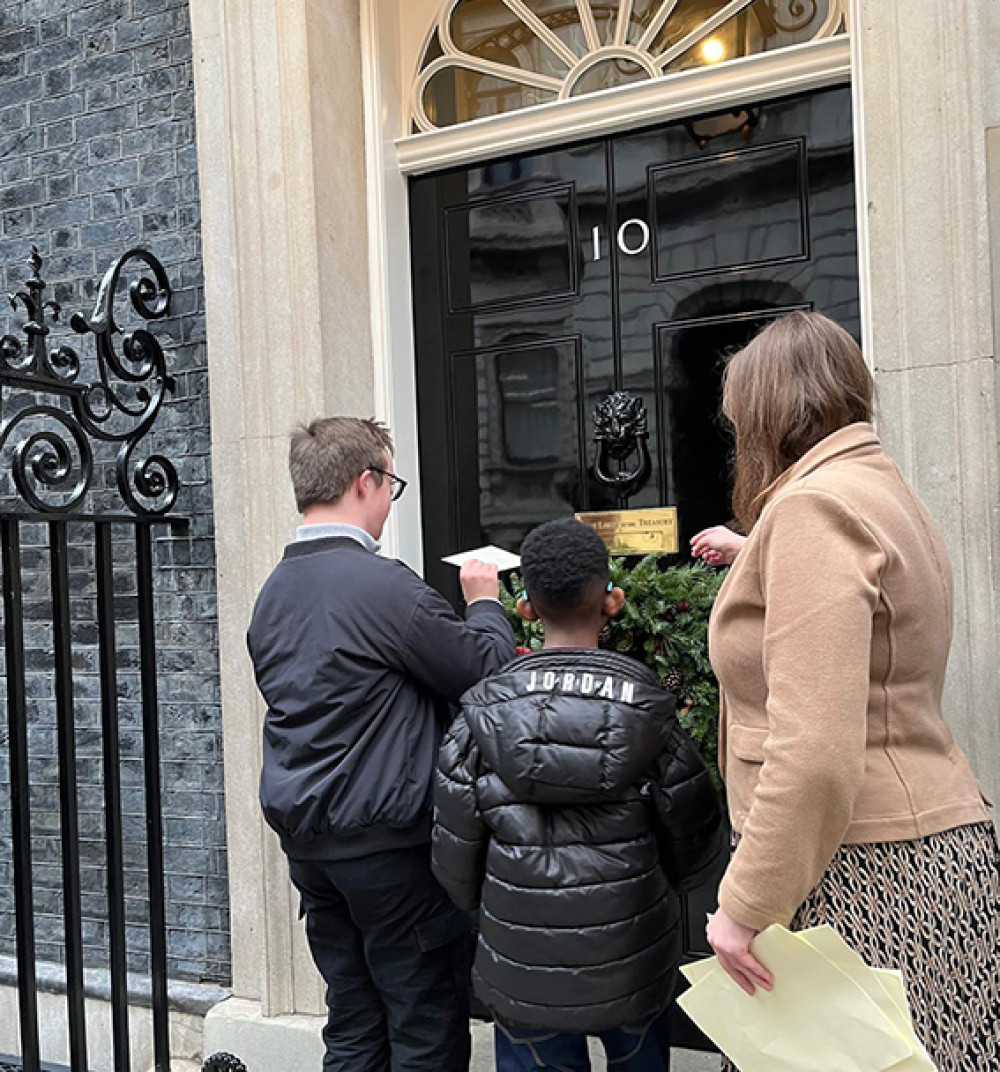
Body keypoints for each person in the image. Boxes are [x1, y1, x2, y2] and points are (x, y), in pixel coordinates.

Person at [704, 312, 1000, 1072]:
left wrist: (745, 908)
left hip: (854, 871)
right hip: (934, 851)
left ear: (765, 416)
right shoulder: (876, 489)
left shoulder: (811, 509)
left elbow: (817, 751)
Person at [246, 417, 515, 1072]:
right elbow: (481, 672)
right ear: (366, 482)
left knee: (355, 1018)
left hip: (311, 847)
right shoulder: (381, 585)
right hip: (391, 849)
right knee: (423, 1021)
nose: (391, 500)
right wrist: (483, 602)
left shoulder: (273, 594)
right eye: (390, 483)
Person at [432, 518, 727, 1072]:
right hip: (633, 951)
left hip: (523, 963)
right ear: (612, 602)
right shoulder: (652, 713)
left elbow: (452, 856)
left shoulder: (480, 717)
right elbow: (696, 840)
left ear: (525, 609)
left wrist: (501, 908)